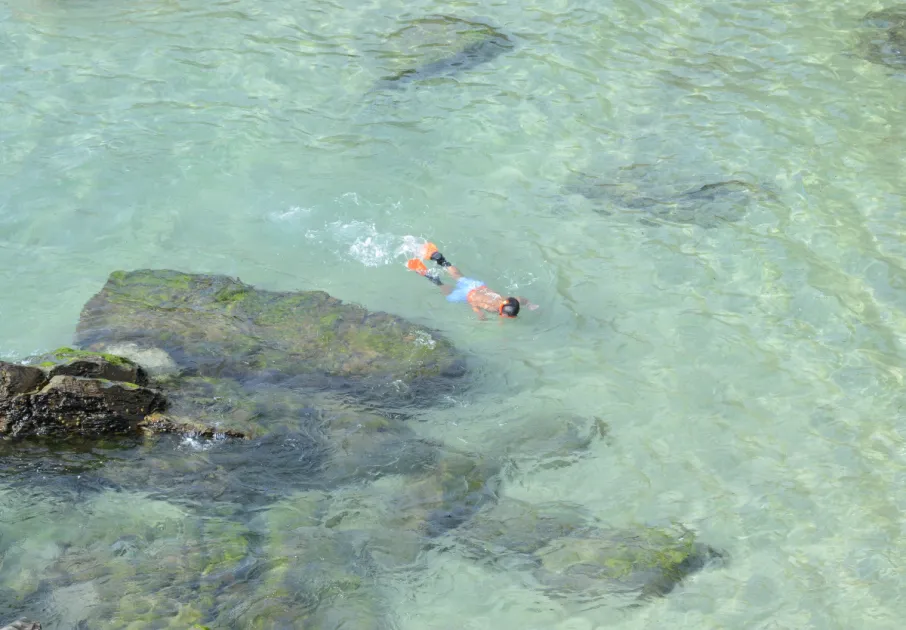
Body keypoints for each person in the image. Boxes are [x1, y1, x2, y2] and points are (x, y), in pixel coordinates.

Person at [406, 243, 537, 320]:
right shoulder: (493, 309)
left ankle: (439, 259)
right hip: (467, 295)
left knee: (457, 275)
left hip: (476, 286)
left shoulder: (506, 299)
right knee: (444, 287)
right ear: (503, 314)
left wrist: (530, 304)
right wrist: (479, 315)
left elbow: (521, 299)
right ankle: (427, 274)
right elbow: (474, 302)